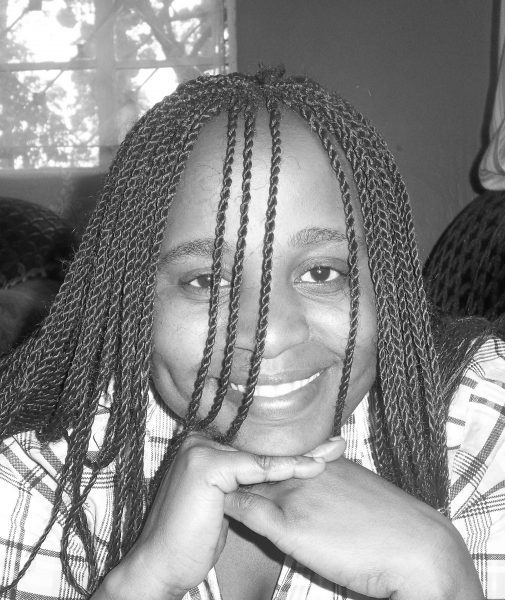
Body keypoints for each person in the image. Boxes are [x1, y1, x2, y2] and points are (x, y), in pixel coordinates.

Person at [0, 68, 503, 600]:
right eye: (204, 281)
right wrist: (141, 583)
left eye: (322, 273)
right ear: (131, 298)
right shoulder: (42, 468)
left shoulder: (476, 420)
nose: (273, 334)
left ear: (388, 283)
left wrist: (439, 571)